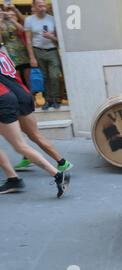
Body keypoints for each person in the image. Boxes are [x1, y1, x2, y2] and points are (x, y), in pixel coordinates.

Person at [0, 53, 70, 198]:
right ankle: (13, 178)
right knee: (28, 138)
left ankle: (58, 171)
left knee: (24, 142)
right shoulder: (2, 53)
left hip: (7, 99)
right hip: (18, 94)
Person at [24, 0, 62, 110]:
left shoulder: (53, 19)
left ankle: (55, 99)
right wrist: (32, 57)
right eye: (40, 5)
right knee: (43, 77)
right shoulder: (29, 20)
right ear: (34, 7)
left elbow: (60, 40)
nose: (42, 7)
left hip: (52, 51)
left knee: (54, 76)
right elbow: (28, 40)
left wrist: (51, 37)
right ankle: (47, 100)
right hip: (38, 51)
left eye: (43, 5)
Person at [0, 9, 30, 88]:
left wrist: (11, 19)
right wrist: (1, 19)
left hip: (22, 51)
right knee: (18, 78)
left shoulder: (13, 22)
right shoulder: (1, 24)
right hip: (10, 53)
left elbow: (22, 29)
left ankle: (32, 97)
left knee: (28, 78)